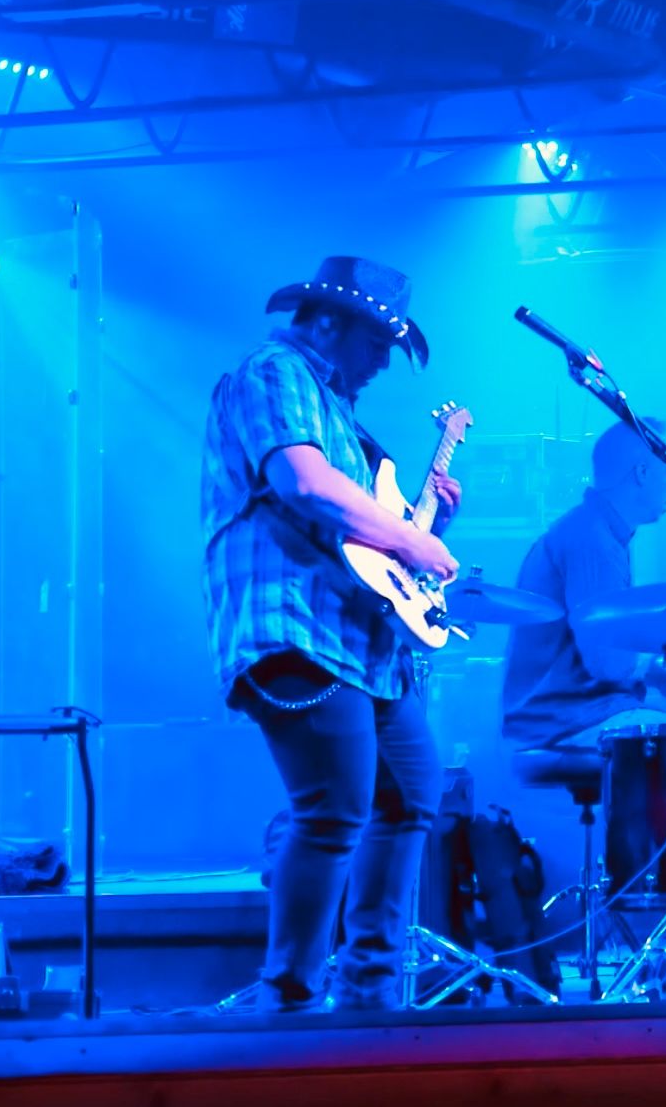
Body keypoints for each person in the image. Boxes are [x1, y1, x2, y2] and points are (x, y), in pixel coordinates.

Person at [201, 255, 461, 1012]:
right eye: (377, 341)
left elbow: (361, 536)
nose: (384, 360)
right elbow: (303, 484)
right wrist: (411, 541)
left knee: (411, 791)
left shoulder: (343, 416)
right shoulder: (274, 370)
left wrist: (425, 528)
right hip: (295, 625)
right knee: (334, 809)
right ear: (323, 323)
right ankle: (288, 1002)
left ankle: (368, 996)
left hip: (361, 641)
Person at [502, 418, 666, 886]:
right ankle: (645, 893)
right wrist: (660, 675)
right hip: (559, 720)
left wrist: (657, 675)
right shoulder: (592, 539)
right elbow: (606, 661)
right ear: (641, 472)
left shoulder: (600, 531)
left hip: (575, 710)